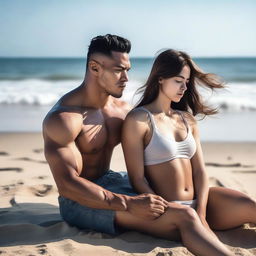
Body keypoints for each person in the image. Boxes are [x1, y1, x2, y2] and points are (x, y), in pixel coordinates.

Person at [43, 35, 233, 255]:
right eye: (118, 70)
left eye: (128, 70)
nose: (125, 78)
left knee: (203, 204)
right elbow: (68, 185)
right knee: (184, 216)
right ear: (94, 68)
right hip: (80, 200)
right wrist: (128, 204)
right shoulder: (64, 120)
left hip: (114, 181)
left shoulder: (122, 111)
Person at [122, 49, 256, 255]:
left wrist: (201, 213)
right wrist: (164, 208)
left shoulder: (187, 119)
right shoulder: (138, 120)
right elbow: (137, 178)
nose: (184, 87)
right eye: (178, 80)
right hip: (169, 210)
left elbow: (200, 172)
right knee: (191, 219)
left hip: (200, 204)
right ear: (160, 79)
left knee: (250, 205)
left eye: (186, 81)